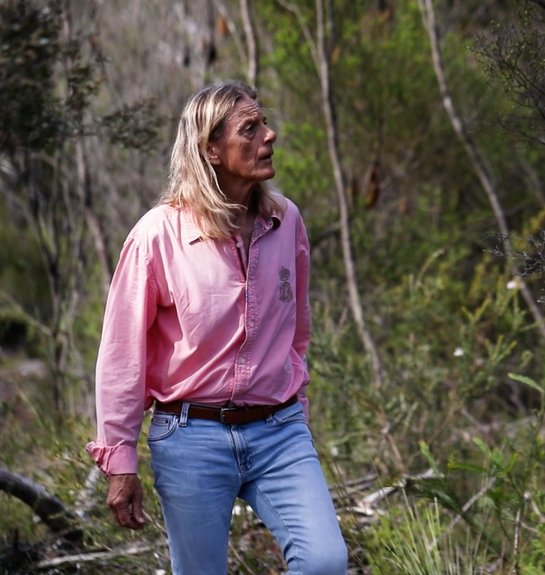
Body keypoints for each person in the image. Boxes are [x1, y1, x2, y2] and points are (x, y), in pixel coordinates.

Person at [86, 80, 348, 575]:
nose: (269, 136)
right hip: (190, 437)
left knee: (325, 561)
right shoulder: (157, 235)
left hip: (280, 430)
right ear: (210, 148)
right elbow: (122, 356)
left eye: (264, 124)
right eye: (250, 129)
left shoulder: (285, 220)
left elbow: (297, 330)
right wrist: (120, 461)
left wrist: (297, 409)